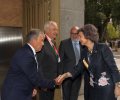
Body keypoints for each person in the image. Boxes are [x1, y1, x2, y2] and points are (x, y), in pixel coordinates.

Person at [57, 24, 120, 100]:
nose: (78, 38)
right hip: (93, 89)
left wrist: (117, 86)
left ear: (88, 36)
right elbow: (78, 68)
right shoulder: (84, 52)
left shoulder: (103, 48)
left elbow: (113, 68)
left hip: (106, 89)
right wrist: (65, 75)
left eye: (80, 36)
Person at [1, 29, 60, 100]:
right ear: (34, 40)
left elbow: (26, 75)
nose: (43, 43)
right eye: (41, 40)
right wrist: (54, 82)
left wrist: (31, 88)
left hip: (22, 93)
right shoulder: (26, 54)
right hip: (15, 95)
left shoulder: (29, 52)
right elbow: (35, 78)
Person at [37, 21, 60, 100]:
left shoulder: (53, 43)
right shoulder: (42, 42)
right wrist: (42, 84)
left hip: (51, 81)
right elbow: (38, 64)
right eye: (54, 29)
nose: (56, 32)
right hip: (45, 84)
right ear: (46, 30)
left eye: (56, 30)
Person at [59, 26, 82, 100]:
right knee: (66, 97)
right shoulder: (64, 43)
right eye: (72, 33)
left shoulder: (83, 44)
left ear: (79, 34)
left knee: (74, 96)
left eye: (76, 33)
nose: (74, 35)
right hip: (66, 76)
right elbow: (60, 61)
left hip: (78, 75)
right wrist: (60, 75)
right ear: (70, 33)